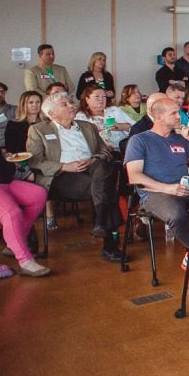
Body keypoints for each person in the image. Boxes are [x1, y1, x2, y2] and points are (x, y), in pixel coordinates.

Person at [123, 96, 189, 282]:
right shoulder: (139, 140)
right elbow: (134, 176)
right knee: (177, 215)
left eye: (178, 112)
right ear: (158, 117)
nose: (179, 116)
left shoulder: (181, 139)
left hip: (186, 188)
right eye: (174, 113)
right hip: (155, 193)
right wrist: (168, 188)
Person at [26, 93, 126, 261]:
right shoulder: (39, 130)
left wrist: (92, 159)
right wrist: (64, 166)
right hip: (61, 177)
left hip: (92, 171)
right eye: (64, 104)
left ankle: (102, 222)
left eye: (70, 102)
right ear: (52, 114)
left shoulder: (87, 126)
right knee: (107, 190)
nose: (72, 106)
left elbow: (104, 152)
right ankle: (108, 244)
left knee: (103, 167)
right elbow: (35, 161)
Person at [0, 117, 50, 277]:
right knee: (11, 213)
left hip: (2, 178)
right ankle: (25, 261)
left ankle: (14, 243)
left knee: (38, 194)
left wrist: (4, 156)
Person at [75, 85, 131, 152]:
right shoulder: (81, 117)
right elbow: (81, 139)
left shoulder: (114, 110)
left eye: (104, 96)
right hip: (99, 152)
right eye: (97, 96)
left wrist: (123, 127)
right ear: (87, 99)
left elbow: (136, 127)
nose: (101, 100)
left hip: (124, 148)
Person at [5, 90, 43, 155]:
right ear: (23, 105)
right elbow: (11, 148)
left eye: (38, 102)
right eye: (31, 102)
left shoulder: (47, 123)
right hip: (23, 159)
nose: (35, 105)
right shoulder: (13, 124)